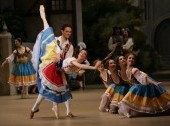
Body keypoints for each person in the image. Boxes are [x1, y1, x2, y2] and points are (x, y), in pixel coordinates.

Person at [30, 5, 101, 119]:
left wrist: (75, 71)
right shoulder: (55, 40)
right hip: (50, 65)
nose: (69, 33)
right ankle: (35, 108)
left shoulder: (70, 46)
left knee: (64, 89)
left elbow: (68, 61)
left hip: (61, 67)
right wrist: (42, 14)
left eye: (70, 32)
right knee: (47, 89)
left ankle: (67, 111)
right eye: (67, 31)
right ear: (62, 31)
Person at [118, 52, 170, 118]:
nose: (131, 59)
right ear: (126, 59)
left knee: (136, 89)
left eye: (133, 59)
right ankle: (126, 110)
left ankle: (126, 108)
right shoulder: (125, 70)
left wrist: (154, 83)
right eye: (130, 58)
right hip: (137, 88)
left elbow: (143, 79)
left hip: (143, 87)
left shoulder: (134, 70)